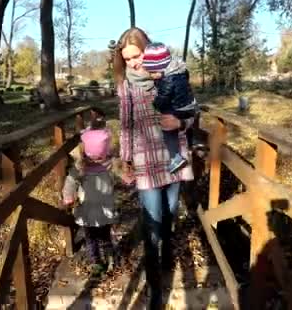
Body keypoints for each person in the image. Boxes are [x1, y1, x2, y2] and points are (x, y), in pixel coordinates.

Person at [114, 27, 194, 309]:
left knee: (170, 214)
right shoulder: (126, 86)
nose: (133, 63)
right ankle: (155, 292)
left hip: (174, 156)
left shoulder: (170, 73)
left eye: (136, 56)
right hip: (144, 158)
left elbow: (191, 110)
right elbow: (125, 126)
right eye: (127, 59)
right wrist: (125, 161)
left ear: (147, 50)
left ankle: (168, 254)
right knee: (152, 223)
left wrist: (182, 123)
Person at [62, 107, 116, 278]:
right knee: (92, 237)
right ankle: (96, 261)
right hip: (88, 210)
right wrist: (68, 196)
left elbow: (123, 171)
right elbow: (70, 180)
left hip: (102, 209)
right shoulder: (81, 167)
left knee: (103, 234)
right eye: (93, 156)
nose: (96, 160)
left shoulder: (108, 163)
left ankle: (108, 256)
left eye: (98, 156)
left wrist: (133, 175)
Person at [142, 42, 197, 173]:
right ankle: (191, 142)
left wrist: (156, 104)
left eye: (154, 72)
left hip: (179, 107)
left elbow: (163, 97)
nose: (152, 76)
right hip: (188, 104)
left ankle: (175, 157)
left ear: (163, 68)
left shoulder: (168, 80)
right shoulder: (179, 72)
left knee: (167, 130)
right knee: (179, 125)